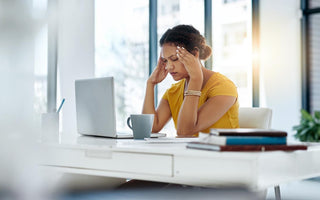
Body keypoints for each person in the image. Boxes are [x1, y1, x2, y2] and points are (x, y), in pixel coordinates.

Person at [142, 24, 239, 137]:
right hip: (187, 153)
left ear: (195, 54)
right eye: (165, 61)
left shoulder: (224, 87)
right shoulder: (174, 91)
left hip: (222, 153)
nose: (169, 67)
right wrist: (150, 84)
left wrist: (196, 79)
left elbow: (184, 132)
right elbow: (150, 128)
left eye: (174, 59)